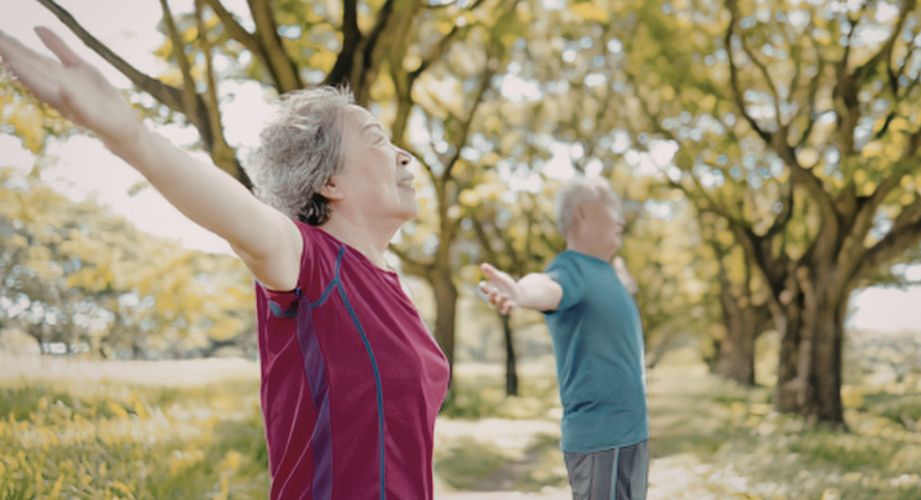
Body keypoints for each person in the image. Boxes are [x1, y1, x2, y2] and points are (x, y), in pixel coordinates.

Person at [0, 28, 449, 499]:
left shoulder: (391, 287)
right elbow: (241, 216)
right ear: (329, 181)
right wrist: (128, 134)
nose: (403, 155)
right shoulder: (308, 260)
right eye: (377, 139)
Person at [479, 177, 649, 500]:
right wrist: (519, 292)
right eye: (612, 207)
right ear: (583, 213)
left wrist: (625, 282)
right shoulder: (572, 268)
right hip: (599, 437)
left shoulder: (609, 272)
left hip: (634, 434)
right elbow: (547, 285)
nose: (620, 219)